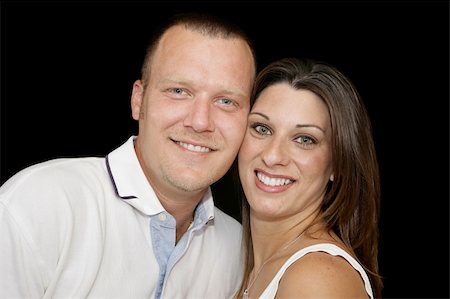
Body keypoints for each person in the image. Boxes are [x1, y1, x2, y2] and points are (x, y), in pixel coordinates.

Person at [0, 12, 256, 298]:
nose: (200, 121)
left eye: (226, 101)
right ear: (138, 100)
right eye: (179, 91)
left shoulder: (241, 252)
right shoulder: (39, 206)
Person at [235, 58, 383, 299]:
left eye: (304, 139)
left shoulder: (317, 278)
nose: (273, 156)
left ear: (338, 164)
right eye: (262, 128)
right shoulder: (245, 263)